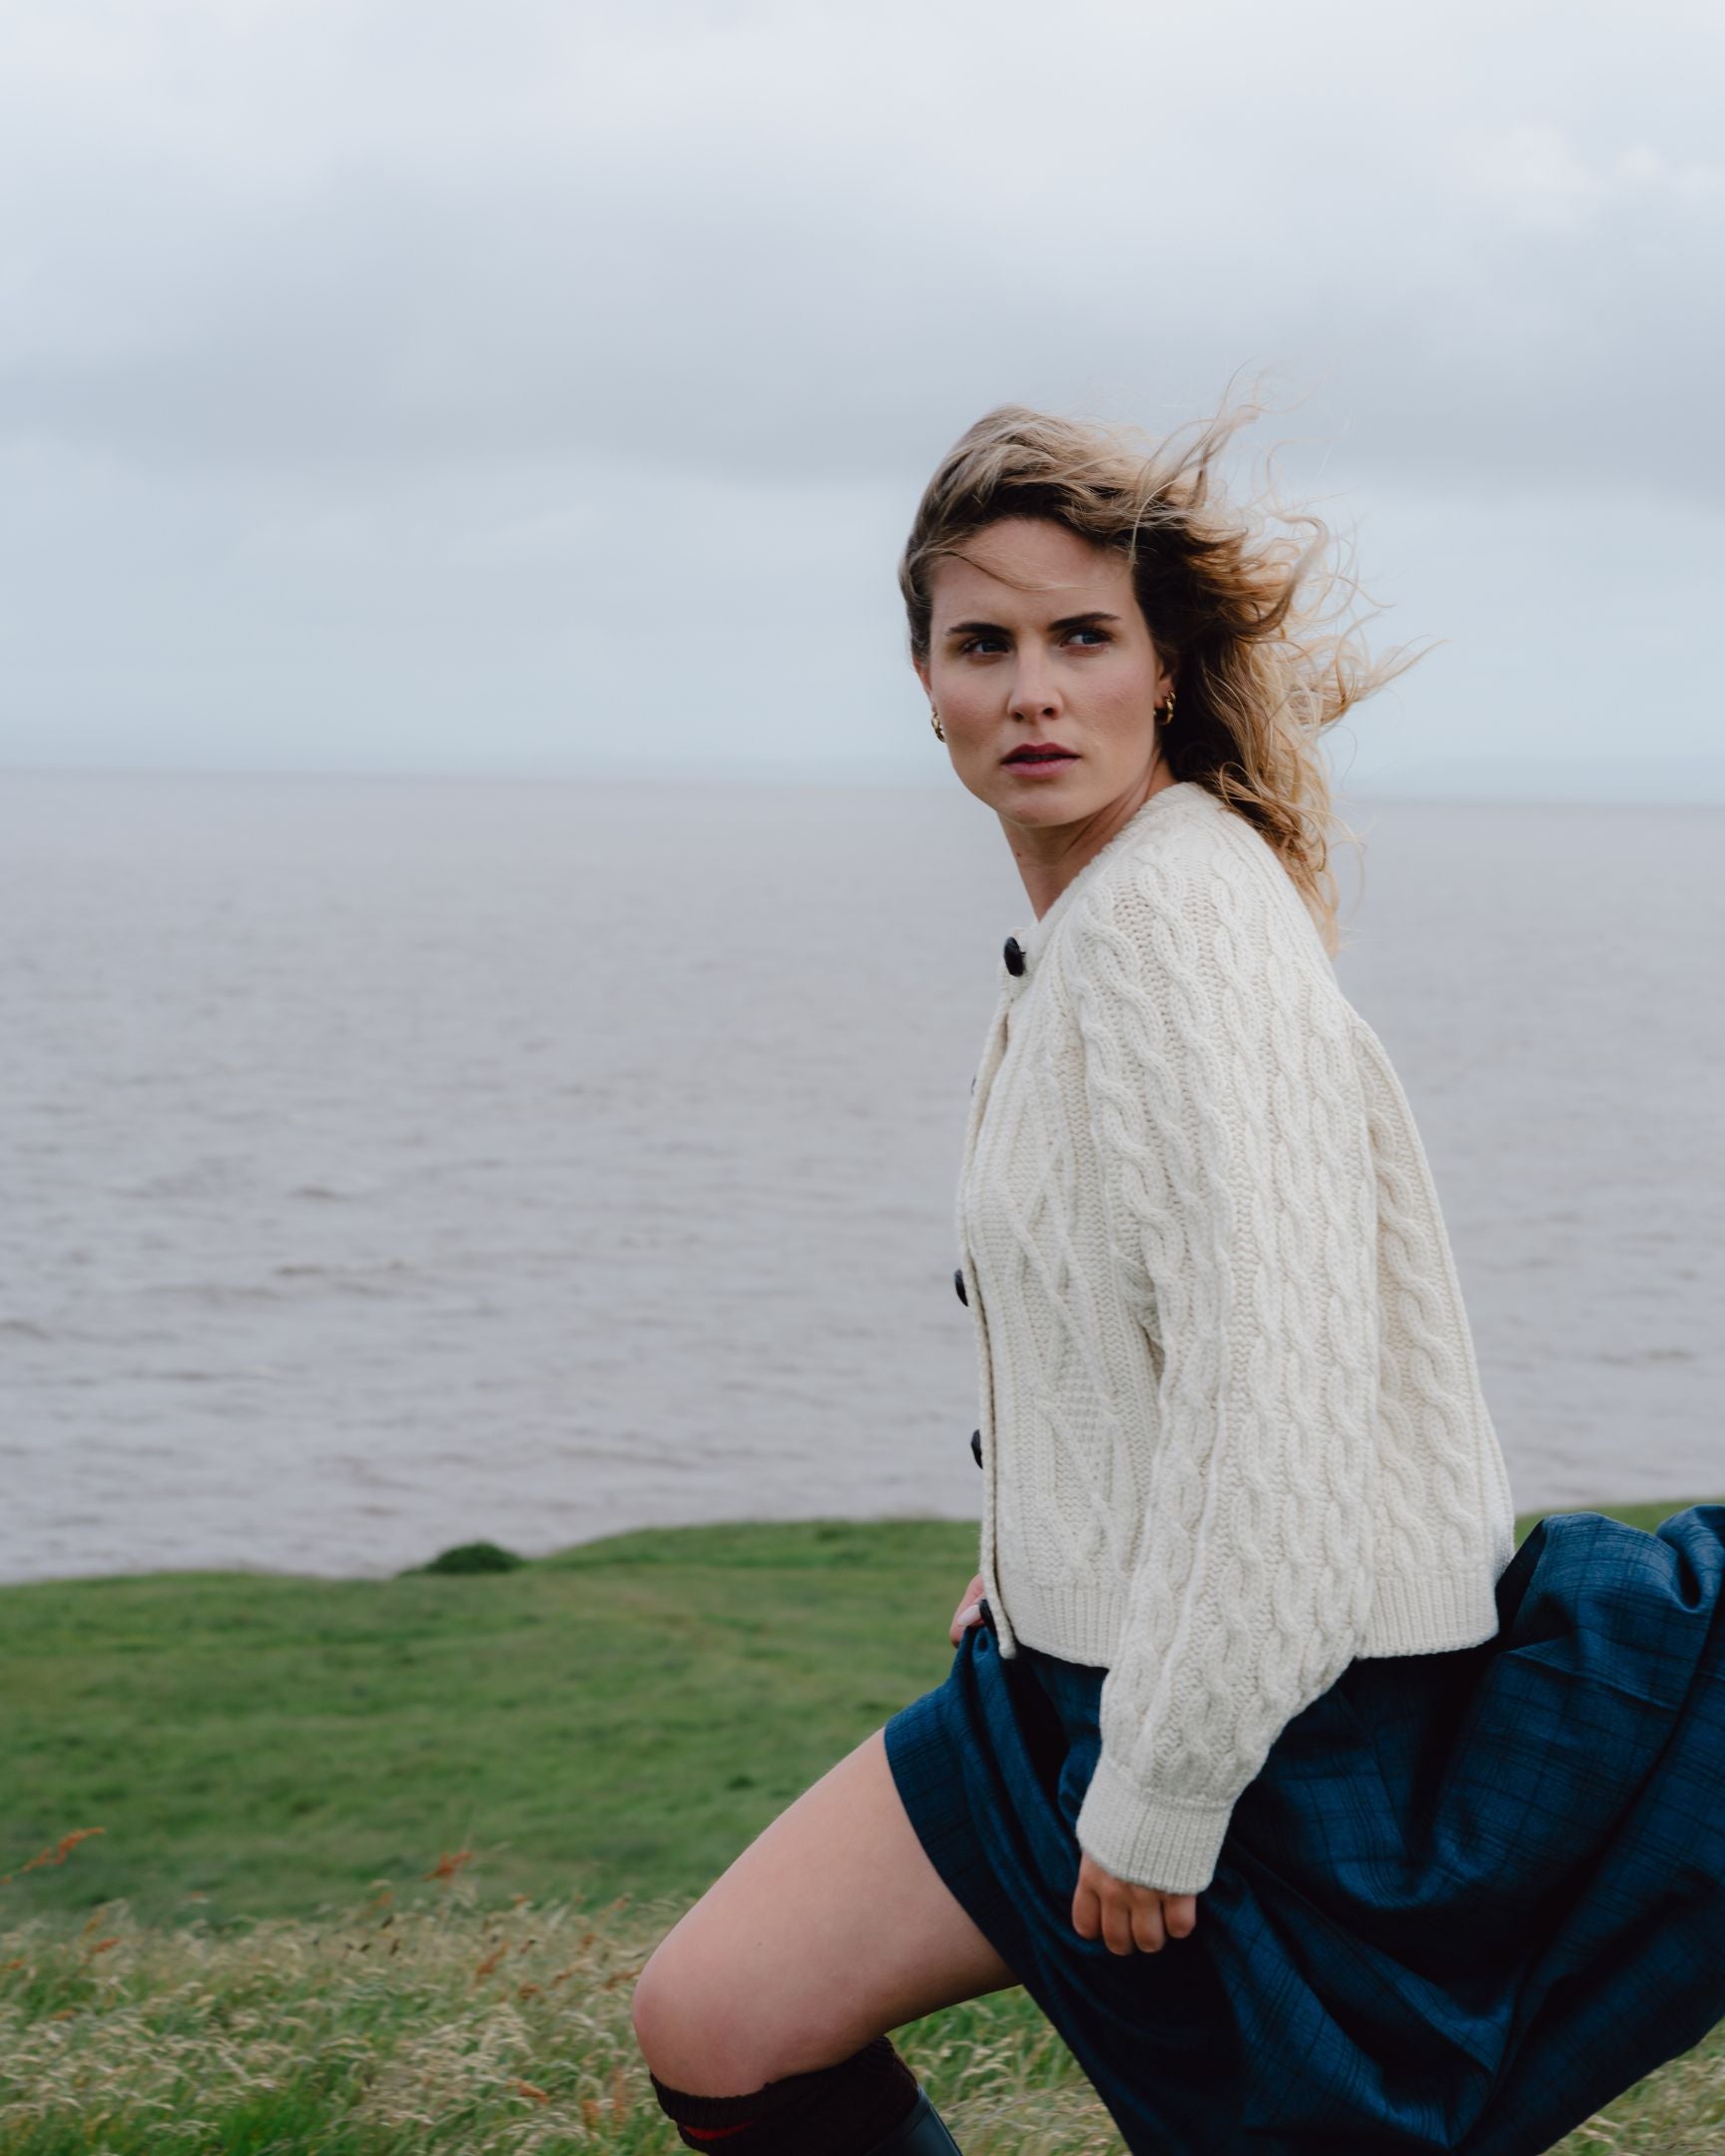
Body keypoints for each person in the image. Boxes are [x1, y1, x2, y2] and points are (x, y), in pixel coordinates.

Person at [631, 388, 1725, 2155]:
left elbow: (1275, 1410)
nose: (1033, 689)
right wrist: (1045, 1543)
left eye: (1083, 636)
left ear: (1162, 667)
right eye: (982, 643)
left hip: (1255, 1725)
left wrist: (1159, 1792)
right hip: (1061, 1666)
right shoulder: (1102, 918)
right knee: (718, 2018)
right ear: (925, 687)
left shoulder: (1177, 936)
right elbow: (1124, 1331)